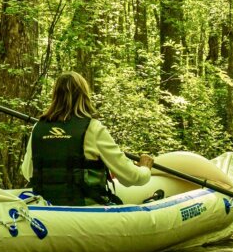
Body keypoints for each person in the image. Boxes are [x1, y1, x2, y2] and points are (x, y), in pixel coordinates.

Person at [20, 72, 154, 205]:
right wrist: (145, 168)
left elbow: (27, 172)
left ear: (55, 95)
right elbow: (131, 177)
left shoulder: (38, 127)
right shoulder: (93, 127)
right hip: (86, 211)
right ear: (84, 95)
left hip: (46, 209)